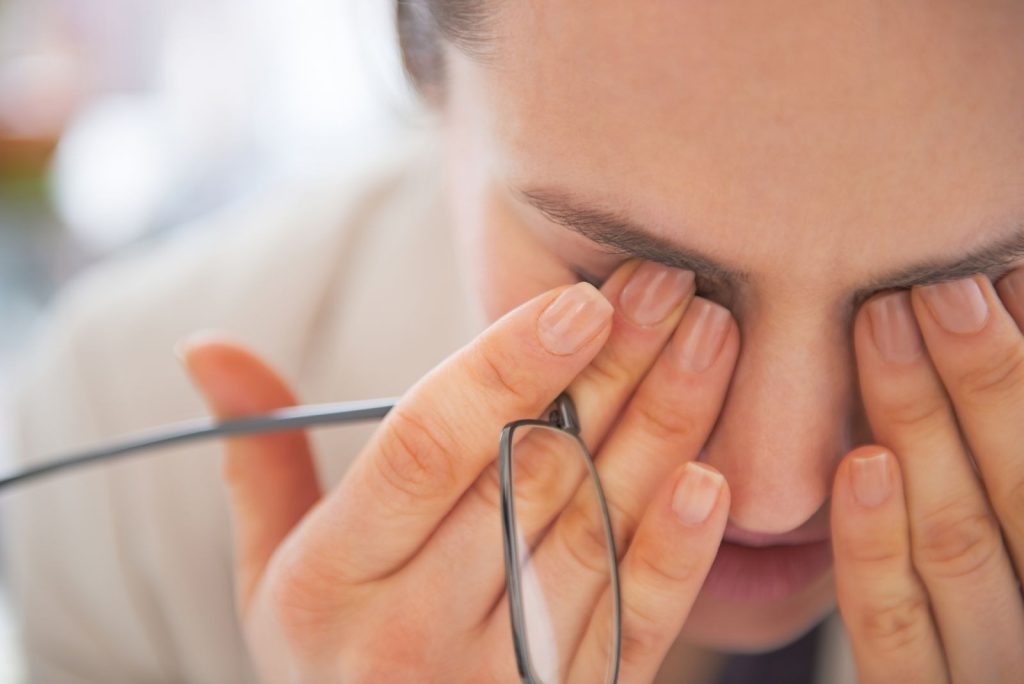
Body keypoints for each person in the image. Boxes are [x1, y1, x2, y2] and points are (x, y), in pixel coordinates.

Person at [6, 1, 1024, 682]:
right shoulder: (107, 469)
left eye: (966, 294)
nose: (771, 493)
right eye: (624, 283)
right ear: (426, 74)